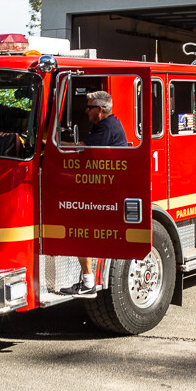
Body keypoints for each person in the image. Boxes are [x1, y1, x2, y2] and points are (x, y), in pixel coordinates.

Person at [61, 90, 127, 297]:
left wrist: (53, 145)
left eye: (89, 107)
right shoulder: (105, 126)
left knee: (81, 232)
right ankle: (87, 280)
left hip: (106, 192)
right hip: (103, 189)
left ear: (99, 109)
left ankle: (88, 283)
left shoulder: (108, 126)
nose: (85, 111)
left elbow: (82, 148)